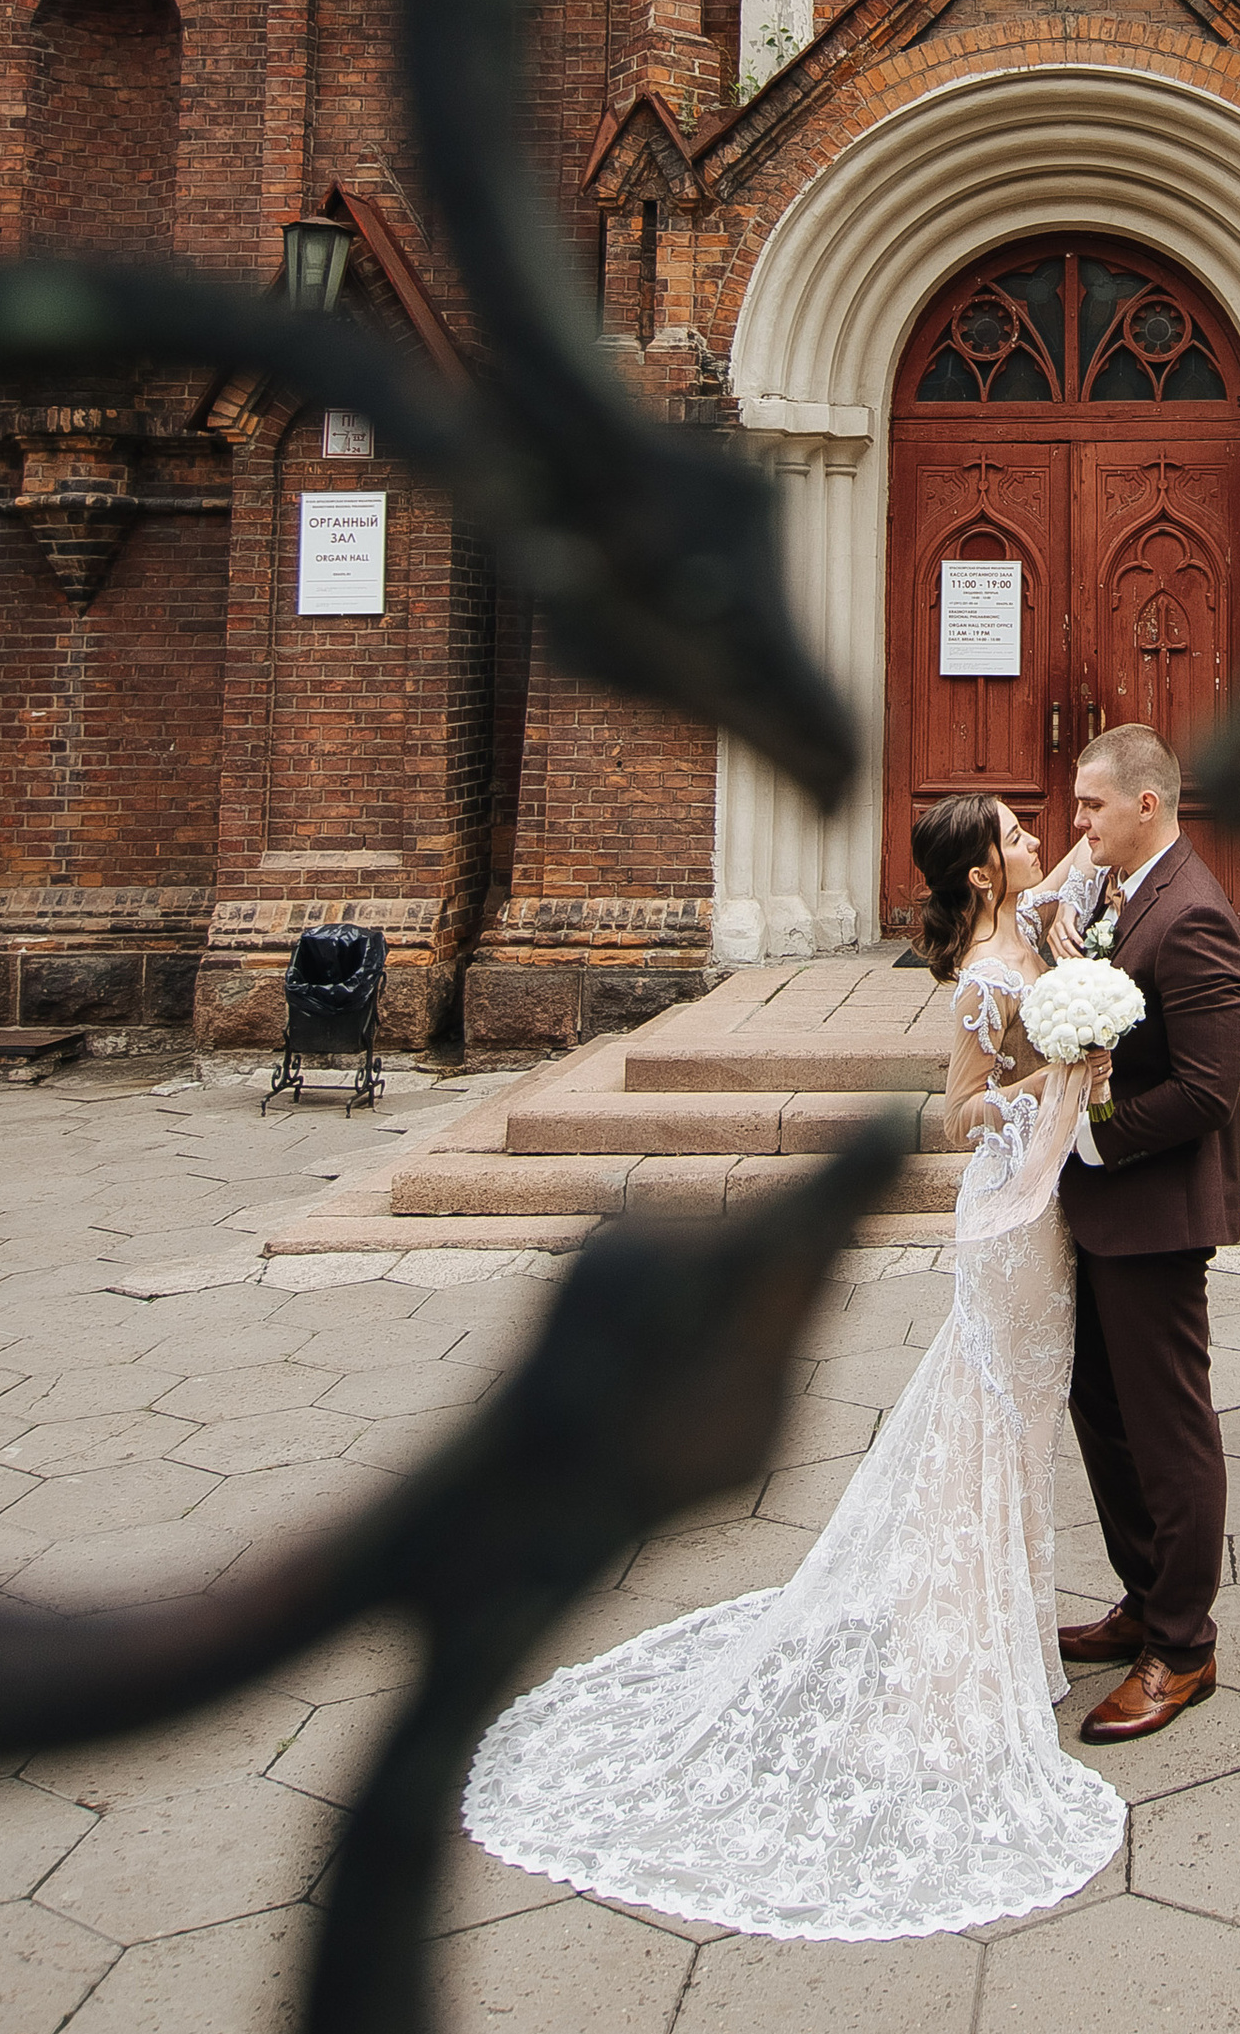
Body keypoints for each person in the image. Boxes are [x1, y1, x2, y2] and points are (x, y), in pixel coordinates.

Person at [458, 791, 1126, 1938]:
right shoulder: (985, 975)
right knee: (993, 1411)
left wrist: (1109, 828)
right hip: (1006, 1223)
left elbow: (1088, 855)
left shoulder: (1035, 916)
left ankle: (1006, 1628)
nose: (1033, 845)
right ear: (979, 878)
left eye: (1028, 830)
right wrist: (1060, 1071)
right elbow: (957, 1110)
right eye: (1013, 837)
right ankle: (962, 1652)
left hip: (1045, 1218)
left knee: (1022, 1415)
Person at [1043, 722, 1240, 1743]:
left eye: (1089, 806)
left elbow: (1210, 1093)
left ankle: (1183, 1645)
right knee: (1105, 1412)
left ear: (1146, 803)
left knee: (1167, 1428)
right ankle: (1143, 1598)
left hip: (1154, 1216)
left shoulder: (1194, 917)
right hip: (1103, 1211)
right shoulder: (1122, 895)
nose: (1075, 823)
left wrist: (1097, 1138)